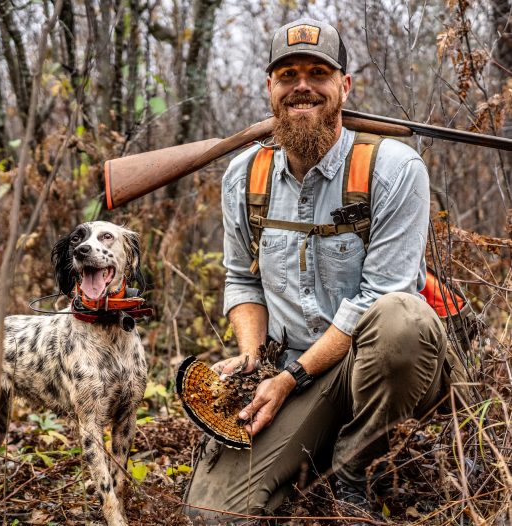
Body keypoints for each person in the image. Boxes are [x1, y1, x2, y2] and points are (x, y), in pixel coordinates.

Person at [183, 17, 447, 524]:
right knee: (211, 516)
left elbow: (381, 296)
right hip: (294, 373)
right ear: (270, 88)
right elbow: (242, 280)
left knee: (402, 321)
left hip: (376, 362)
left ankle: (354, 474)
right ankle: (317, 448)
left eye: (318, 72)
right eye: (288, 75)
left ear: (344, 85)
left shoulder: (393, 167)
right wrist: (256, 363)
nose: (302, 85)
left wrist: (289, 379)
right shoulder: (244, 174)